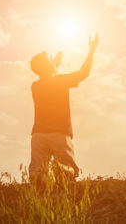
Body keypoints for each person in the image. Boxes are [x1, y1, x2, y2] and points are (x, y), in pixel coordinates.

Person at [28, 33, 99, 183]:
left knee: (38, 178)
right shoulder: (59, 81)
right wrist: (92, 49)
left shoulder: (35, 86)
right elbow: (84, 73)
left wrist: (53, 66)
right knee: (68, 174)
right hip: (59, 134)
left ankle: (42, 200)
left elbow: (47, 76)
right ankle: (61, 170)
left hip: (38, 136)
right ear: (49, 67)